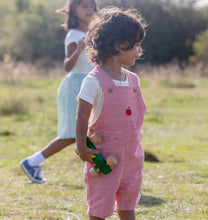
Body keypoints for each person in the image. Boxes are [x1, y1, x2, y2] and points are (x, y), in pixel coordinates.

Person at [75, 7, 147, 220]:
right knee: (100, 208)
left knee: (128, 204)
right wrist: (81, 145)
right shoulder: (94, 80)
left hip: (133, 158)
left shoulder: (134, 81)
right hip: (105, 159)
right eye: (135, 45)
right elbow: (81, 116)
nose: (139, 50)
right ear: (118, 45)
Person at [19, 0, 97, 184]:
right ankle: (33, 162)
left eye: (92, 6)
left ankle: (103, 169)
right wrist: (79, 49)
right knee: (73, 134)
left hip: (92, 84)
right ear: (74, 11)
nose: (90, 9)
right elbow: (67, 66)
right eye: (84, 6)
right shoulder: (75, 35)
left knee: (91, 130)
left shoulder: (93, 34)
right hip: (76, 86)